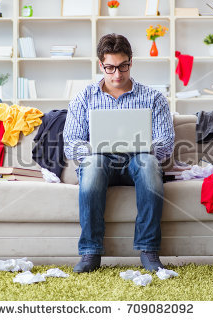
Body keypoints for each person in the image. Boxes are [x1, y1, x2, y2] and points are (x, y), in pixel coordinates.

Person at [63, 33, 175, 273]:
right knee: (93, 166)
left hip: (139, 160)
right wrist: (96, 150)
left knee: (147, 164)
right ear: (100, 65)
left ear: (131, 61)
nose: (117, 74)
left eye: (123, 66)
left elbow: (166, 142)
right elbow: (71, 143)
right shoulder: (84, 98)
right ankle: (90, 252)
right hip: (100, 162)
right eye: (110, 68)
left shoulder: (154, 98)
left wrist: (142, 145)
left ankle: (148, 250)